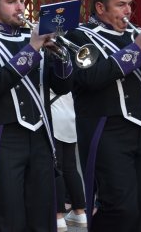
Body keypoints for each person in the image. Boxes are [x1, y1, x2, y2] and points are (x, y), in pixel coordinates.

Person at [0, 0, 74, 232]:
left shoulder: (36, 37)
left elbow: (62, 87)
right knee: (10, 214)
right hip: (4, 136)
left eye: (21, 1)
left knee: (42, 213)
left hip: (41, 136)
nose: (19, 8)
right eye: (11, 2)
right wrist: (33, 47)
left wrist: (62, 57)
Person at [65, 0, 141, 232]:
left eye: (129, 4)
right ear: (100, 8)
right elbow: (90, 78)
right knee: (119, 207)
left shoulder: (135, 35)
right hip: (106, 129)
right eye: (120, 5)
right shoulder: (79, 36)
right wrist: (137, 50)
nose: (128, 11)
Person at [50, 90, 86, 231]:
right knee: (70, 167)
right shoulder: (69, 67)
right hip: (70, 117)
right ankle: (80, 211)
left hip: (54, 116)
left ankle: (57, 216)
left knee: (56, 168)